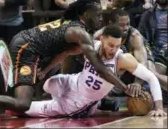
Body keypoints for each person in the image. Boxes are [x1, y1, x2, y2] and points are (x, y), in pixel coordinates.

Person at [0, 0, 131, 113]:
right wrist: (126, 88)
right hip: (26, 48)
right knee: (22, 104)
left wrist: (46, 70)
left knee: (28, 96)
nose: (100, 18)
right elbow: (100, 67)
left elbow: (65, 52)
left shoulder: (75, 25)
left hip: (31, 47)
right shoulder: (80, 33)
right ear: (86, 14)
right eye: (97, 15)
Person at [23, 25, 166, 118]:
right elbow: (66, 53)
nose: (113, 50)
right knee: (48, 84)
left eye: (117, 46)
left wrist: (159, 107)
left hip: (80, 101)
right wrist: (46, 70)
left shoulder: (123, 59)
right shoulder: (92, 45)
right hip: (74, 81)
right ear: (102, 39)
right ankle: (101, 103)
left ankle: (93, 104)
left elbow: (152, 77)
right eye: (110, 45)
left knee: (26, 110)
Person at [93, 10, 148, 95]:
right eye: (121, 25)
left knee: (149, 65)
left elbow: (143, 63)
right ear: (111, 24)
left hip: (133, 65)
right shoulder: (100, 36)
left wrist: (137, 83)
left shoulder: (134, 36)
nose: (126, 28)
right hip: (112, 69)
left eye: (128, 24)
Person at [138, 0, 168, 105]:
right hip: (155, 53)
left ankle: (153, 76)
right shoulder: (147, 15)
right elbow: (142, 38)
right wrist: (149, 57)